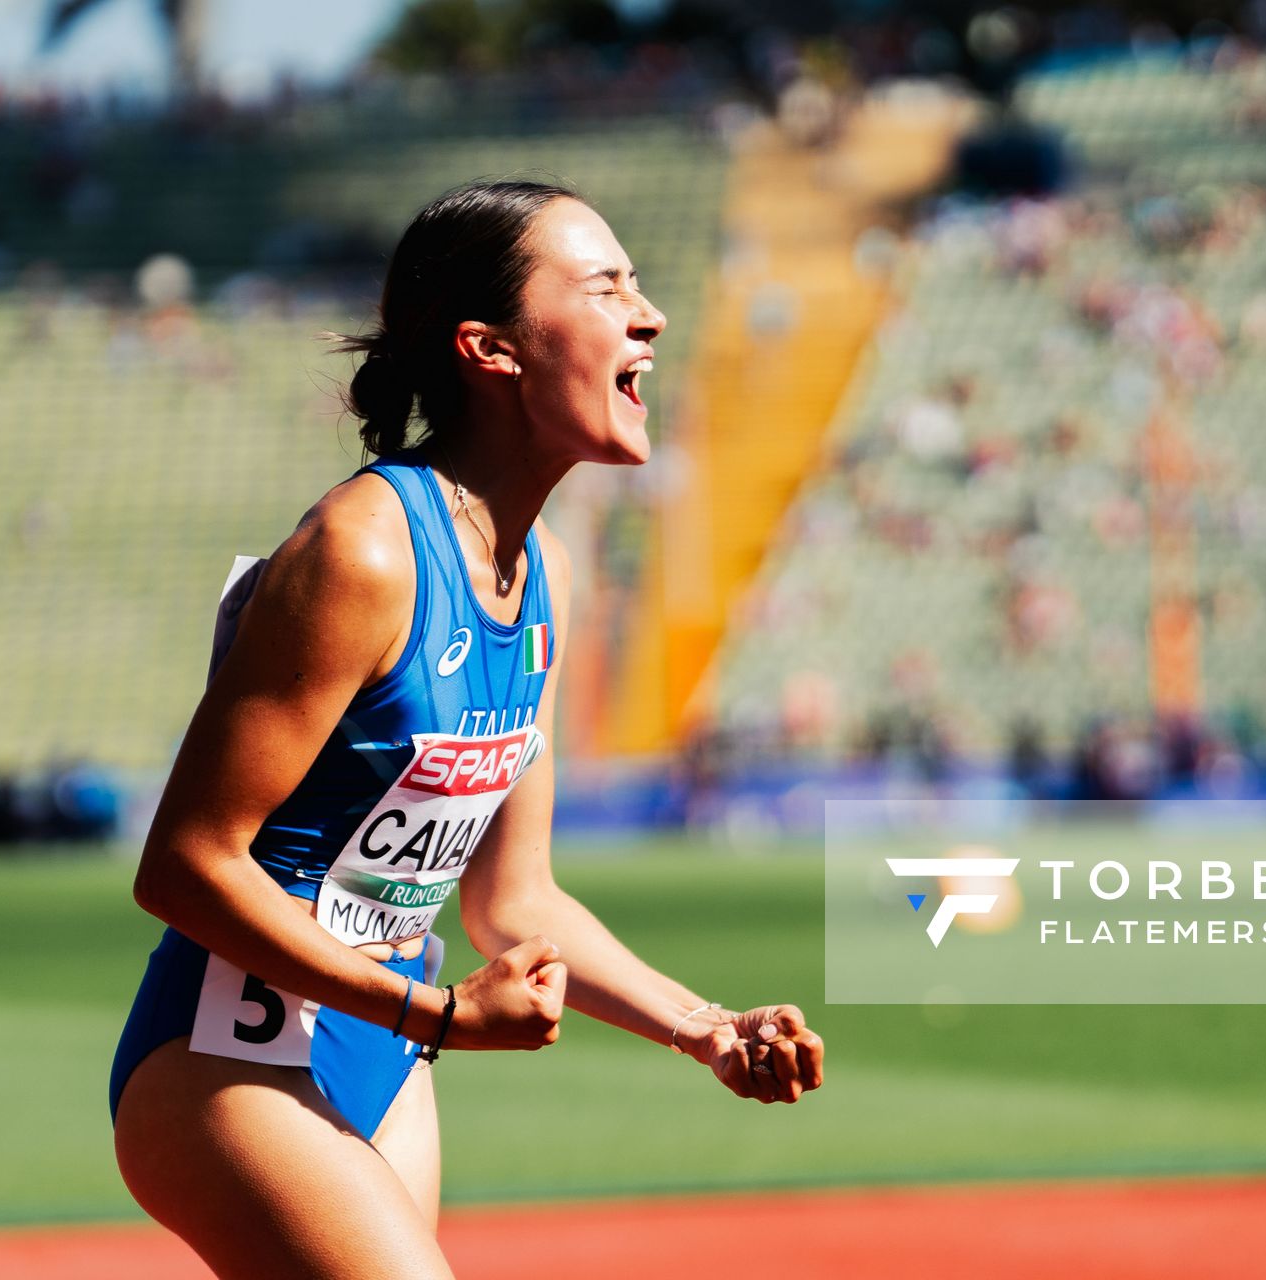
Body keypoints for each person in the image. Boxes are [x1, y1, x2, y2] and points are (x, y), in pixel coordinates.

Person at [109, 180, 825, 1279]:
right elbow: (186, 865)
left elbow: (512, 901)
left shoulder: (546, 577)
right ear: (491, 349)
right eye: (606, 286)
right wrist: (433, 1008)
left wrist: (704, 1025)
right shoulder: (367, 547)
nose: (651, 315)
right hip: (224, 1052)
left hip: (384, 1047)